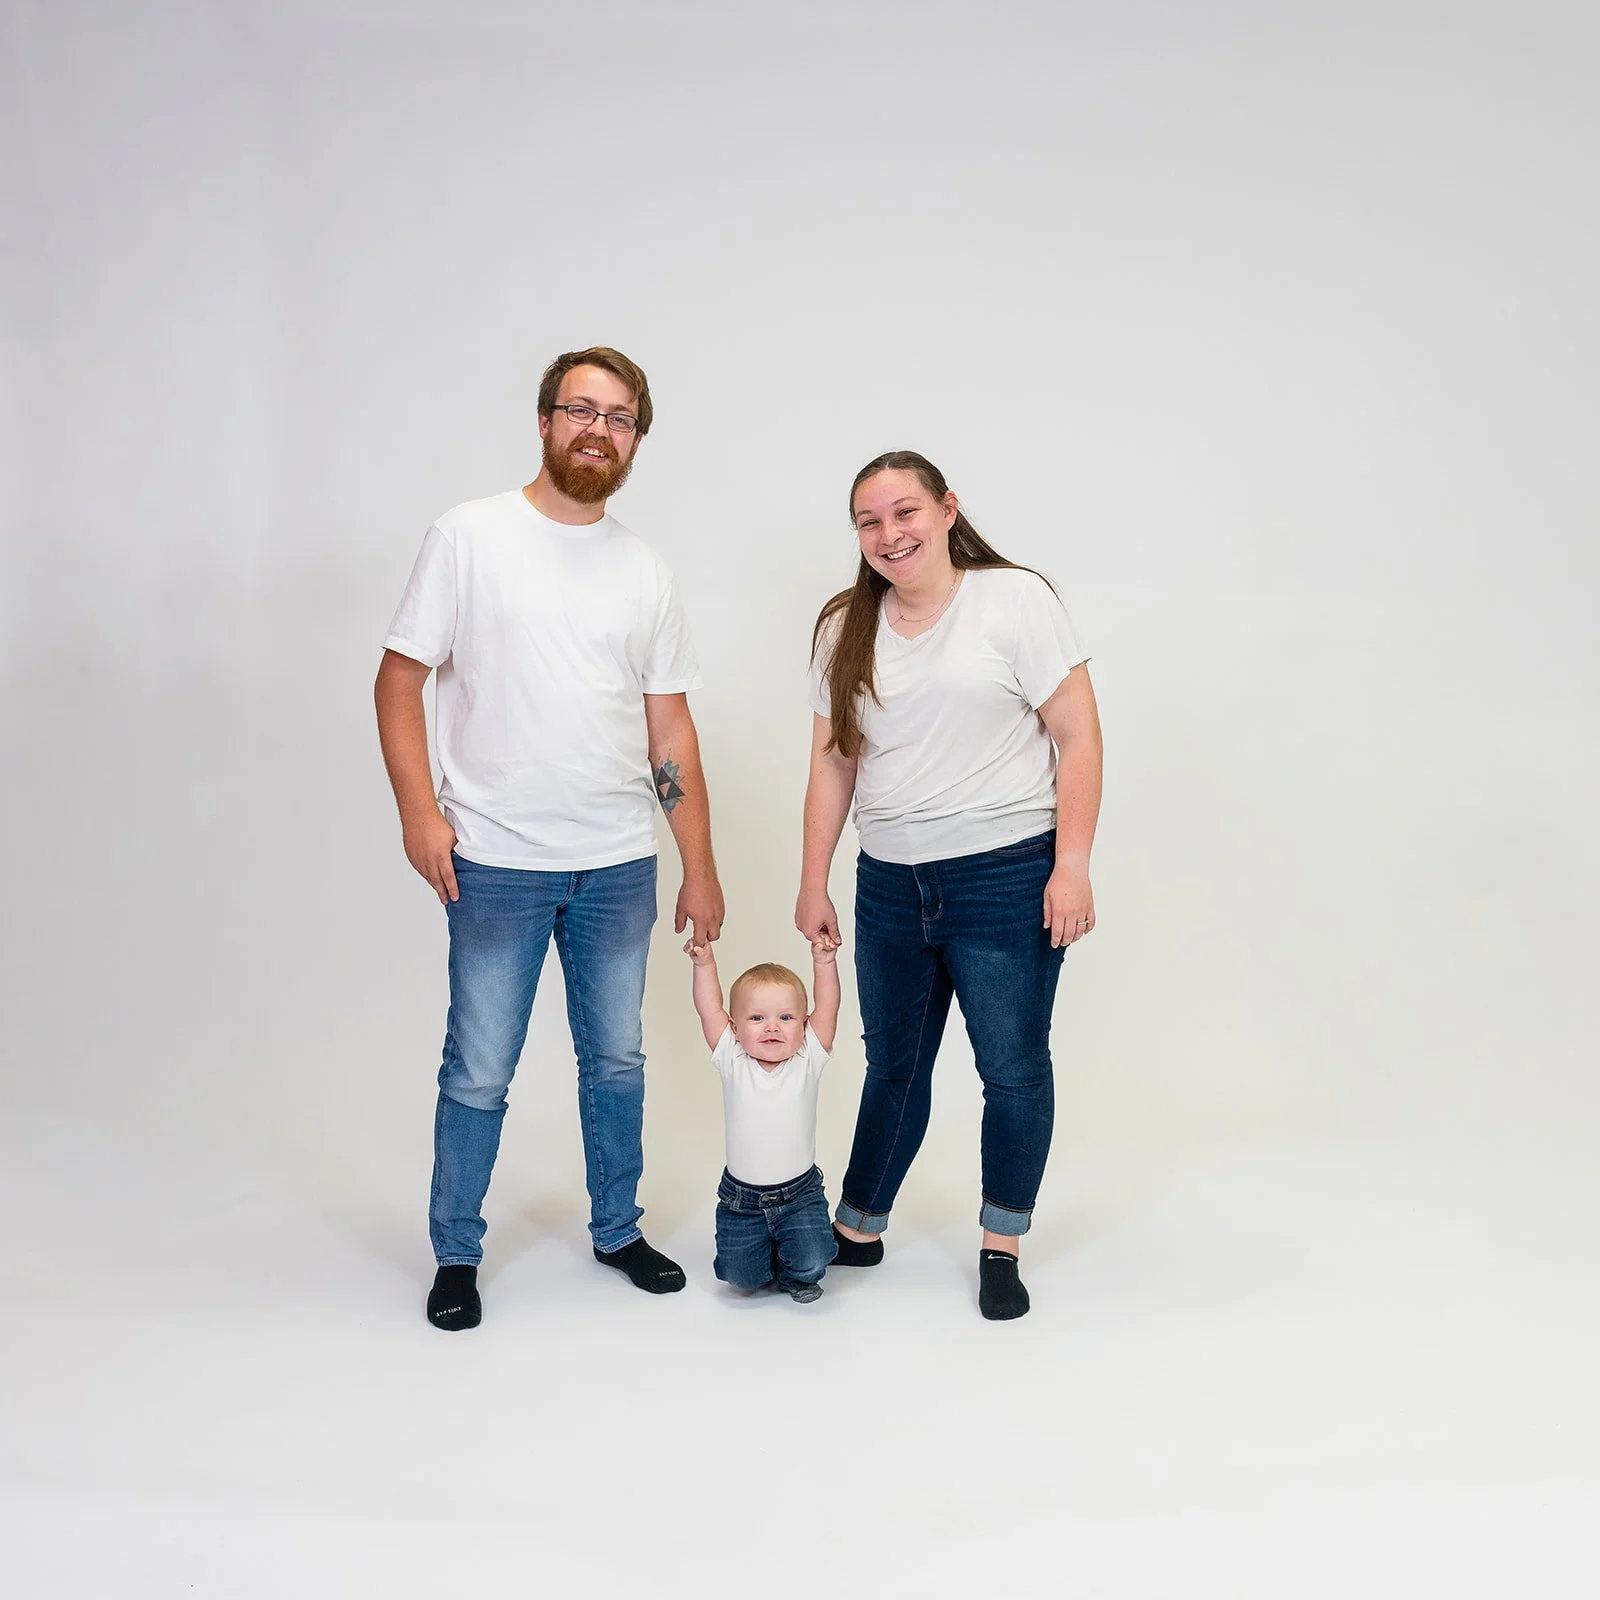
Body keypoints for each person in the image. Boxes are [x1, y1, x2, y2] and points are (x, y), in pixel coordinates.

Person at [376, 346, 724, 1331]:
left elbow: (670, 729)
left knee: (616, 1061)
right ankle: (456, 1253)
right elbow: (399, 680)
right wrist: (419, 812)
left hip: (617, 860)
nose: (598, 430)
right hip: (495, 860)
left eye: (619, 418)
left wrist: (698, 866)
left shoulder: (644, 570)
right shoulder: (469, 536)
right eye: (581, 409)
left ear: (636, 441)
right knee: (480, 1068)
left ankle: (617, 1229)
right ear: (544, 420)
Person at [795, 450, 1102, 1321]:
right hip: (889, 883)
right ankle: (859, 1225)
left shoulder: (1014, 600)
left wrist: (1071, 864)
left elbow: (1079, 736)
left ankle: (1002, 1244)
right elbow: (833, 762)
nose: (889, 535)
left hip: (1005, 875)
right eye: (869, 521)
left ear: (947, 509)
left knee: (1011, 1067)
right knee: (893, 1064)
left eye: (905, 513)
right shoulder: (844, 625)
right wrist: (813, 880)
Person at [684, 933, 841, 1302]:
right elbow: (709, 1009)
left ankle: (793, 1270)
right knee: (741, 1278)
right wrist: (704, 964)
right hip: (743, 1201)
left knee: (812, 1263)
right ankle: (766, 1249)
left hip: (800, 1194)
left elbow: (828, 1007)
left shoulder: (807, 1057)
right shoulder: (732, 1057)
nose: (772, 1027)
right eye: (757, 1018)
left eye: (786, 1017)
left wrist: (824, 962)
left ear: (804, 1025)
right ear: (735, 1029)